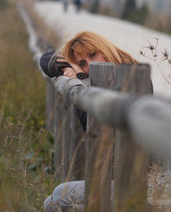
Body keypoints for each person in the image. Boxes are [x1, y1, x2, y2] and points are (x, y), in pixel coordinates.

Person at [40, 31, 138, 211]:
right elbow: (46, 59)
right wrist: (66, 69)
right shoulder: (90, 85)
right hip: (114, 177)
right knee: (53, 201)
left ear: (105, 48)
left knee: (58, 198)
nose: (90, 65)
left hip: (135, 181)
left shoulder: (131, 75)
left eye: (93, 55)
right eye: (82, 63)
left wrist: (80, 79)